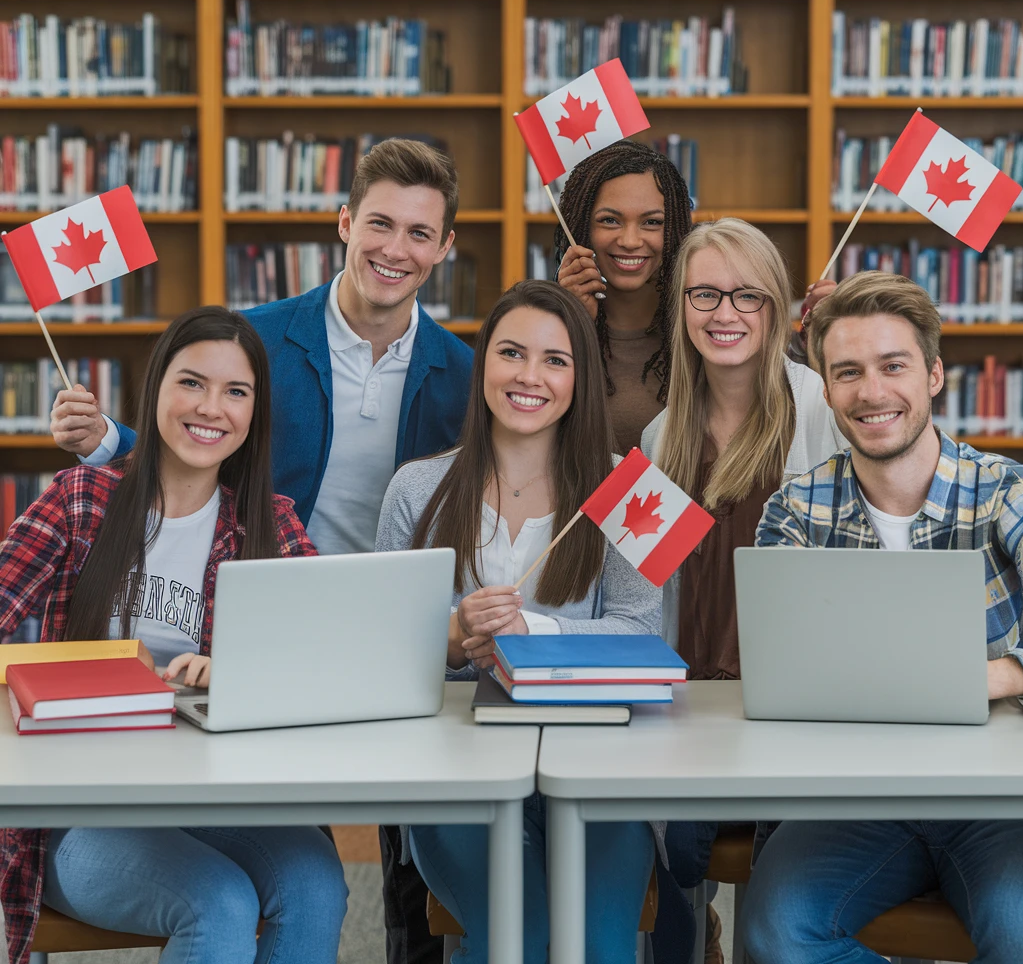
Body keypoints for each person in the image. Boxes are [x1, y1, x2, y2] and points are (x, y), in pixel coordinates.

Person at [49, 138, 473, 964]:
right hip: (266, 626)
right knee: (290, 853)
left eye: (421, 233)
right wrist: (111, 443)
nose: (396, 249)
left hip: (388, 633)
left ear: (446, 248)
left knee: (406, 866)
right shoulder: (258, 341)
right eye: (379, 224)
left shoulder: (461, 371)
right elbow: (196, 449)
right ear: (344, 223)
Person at [0, 307, 346, 964]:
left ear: (255, 414)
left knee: (318, 881)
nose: (211, 408)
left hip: (214, 792)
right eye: (192, 382)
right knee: (218, 901)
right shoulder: (81, 500)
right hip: (84, 808)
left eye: (236, 392)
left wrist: (242, 669)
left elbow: (331, 650)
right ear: (156, 388)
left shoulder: (268, 525)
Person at [740, 270, 1023, 964]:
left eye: (892, 366)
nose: (871, 392)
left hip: (996, 803)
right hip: (855, 801)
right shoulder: (796, 511)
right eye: (847, 372)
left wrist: (989, 675)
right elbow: (783, 676)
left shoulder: (1005, 494)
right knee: (776, 933)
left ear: (932, 375)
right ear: (827, 389)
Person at [376, 281, 662, 963]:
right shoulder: (416, 490)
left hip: (598, 769)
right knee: (519, 934)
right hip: (458, 775)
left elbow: (647, 637)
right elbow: (377, 650)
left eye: (555, 360)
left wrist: (536, 637)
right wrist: (450, 638)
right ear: (483, 370)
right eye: (511, 353)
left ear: (581, 379)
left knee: (599, 944)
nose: (530, 377)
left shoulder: (630, 492)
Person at [640, 219, 846, 964]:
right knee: (670, 883)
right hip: (689, 701)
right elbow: (646, 589)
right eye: (704, 294)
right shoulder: (660, 437)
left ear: (782, 308)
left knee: (780, 911)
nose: (724, 313)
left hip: (793, 703)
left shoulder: (824, 408)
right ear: (681, 308)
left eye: (747, 296)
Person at [552, 140, 693, 454]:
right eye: (610, 220)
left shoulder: (700, 326)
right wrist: (569, 323)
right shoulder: (544, 326)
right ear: (581, 227)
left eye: (652, 222)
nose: (630, 240)